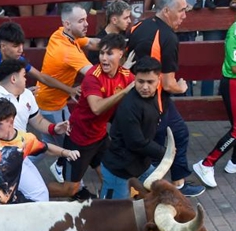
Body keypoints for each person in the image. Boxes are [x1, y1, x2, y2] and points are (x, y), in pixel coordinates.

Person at [0, 59, 70, 208]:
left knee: (25, 195)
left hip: (17, 152)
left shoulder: (27, 94)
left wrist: (54, 128)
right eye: (24, 75)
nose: (26, 79)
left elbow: (38, 120)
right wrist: (0, 140)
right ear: (14, 78)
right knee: (38, 194)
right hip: (1, 156)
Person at [128, 0, 206, 195]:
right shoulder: (169, 37)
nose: (184, 16)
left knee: (178, 134)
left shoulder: (138, 26)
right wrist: (181, 87)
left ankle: (178, 183)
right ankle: (148, 192)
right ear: (165, 10)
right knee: (158, 150)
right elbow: (169, 83)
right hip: (156, 104)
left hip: (137, 97)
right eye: (181, 11)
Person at [48, 33, 135, 201]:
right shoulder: (92, 77)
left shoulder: (126, 76)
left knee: (111, 177)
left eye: (109, 53)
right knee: (70, 190)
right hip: (80, 139)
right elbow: (96, 108)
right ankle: (27, 192)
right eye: (102, 53)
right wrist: (125, 91)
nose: (103, 58)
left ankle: (103, 211)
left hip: (100, 137)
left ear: (121, 55)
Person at [0, 99, 79, 206]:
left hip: (12, 198)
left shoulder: (24, 140)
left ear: (10, 121)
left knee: (41, 198)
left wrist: (66, 152)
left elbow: (46, 148)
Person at [34, 4, 100, 183]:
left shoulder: (62, 34)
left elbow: (94, 43)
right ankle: (71, 179)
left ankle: (20, 165)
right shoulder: (67, 50)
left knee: (47, 144)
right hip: (51, 106)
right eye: (81, 21)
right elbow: (94, 75)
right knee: (70, 143)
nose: (86, 24)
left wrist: (117, 45)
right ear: (67, 24)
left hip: (52, 101)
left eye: (86, 19)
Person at [99, 57, 169, 199]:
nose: (144, 87)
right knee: (111, 213)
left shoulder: (153, 96)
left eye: (150, 82)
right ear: (134, 79)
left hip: (141, 165)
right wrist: (164, 153)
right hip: (119, 171)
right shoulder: (129, 107)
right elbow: (136, 142)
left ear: (159, 80)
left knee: (156, 198)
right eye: (140, 81)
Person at [0, 22, 80, 102]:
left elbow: (41, 77)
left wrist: (69, 90)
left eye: (21, 45)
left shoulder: (18, 60)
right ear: (3, 46)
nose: (21, 50)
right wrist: (22, 93)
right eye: (15, 46)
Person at [193, 21, 236, 180]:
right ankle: (206, 164)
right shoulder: (235, 31)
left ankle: (233, 162)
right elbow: (234, 67)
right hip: (233, 82)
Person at [88, 0, 132, 65]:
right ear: (114, 20)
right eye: (126, 18)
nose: (129, 21)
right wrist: (123, 68)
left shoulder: (126, 34)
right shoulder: (99, 42)